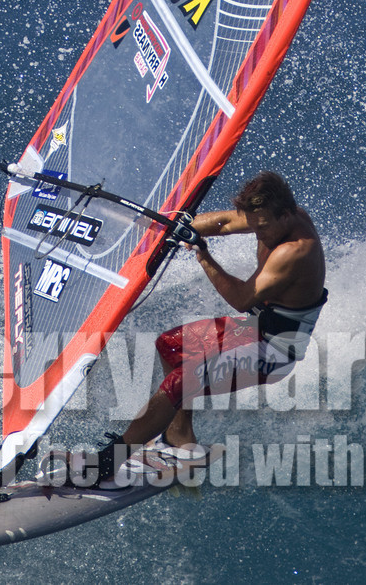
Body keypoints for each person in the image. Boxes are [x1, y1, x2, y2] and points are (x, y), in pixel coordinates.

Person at [81, 170, 327, 484]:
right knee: (171, 344)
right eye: (253, 226)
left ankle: (110, 460)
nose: (258, 234)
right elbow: (223, 222)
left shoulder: (294, 251)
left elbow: (241, 298)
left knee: (181, 381)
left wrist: (201, 251)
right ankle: (179, 438)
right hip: (256, 329)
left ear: (286, 213)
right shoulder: (269, 218)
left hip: (275, 351)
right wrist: (171, 229)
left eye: (263, 227)